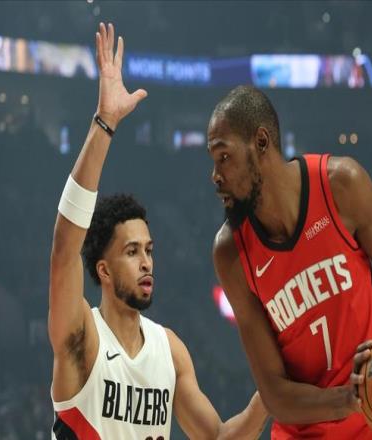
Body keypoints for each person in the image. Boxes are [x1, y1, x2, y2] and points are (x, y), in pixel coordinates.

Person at [49, 23, 268, 439]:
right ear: (103, 270)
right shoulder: (82, 335)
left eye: (148, 250)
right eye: (131, 252)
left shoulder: (169, 350)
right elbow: (64, 247)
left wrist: (268, 397)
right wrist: (105, 123)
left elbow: (218, 438)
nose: (147, 262)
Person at [209, 85, 372, 438]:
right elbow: (274, 393)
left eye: (224, 156)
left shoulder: (341, 185)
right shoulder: (230, 252)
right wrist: (349, 398)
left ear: (260, 142)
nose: (215, 175)